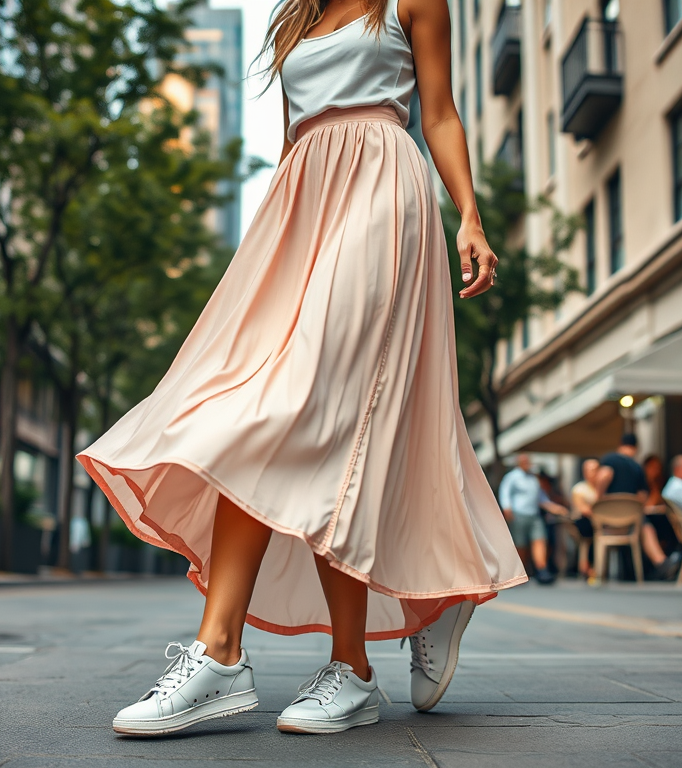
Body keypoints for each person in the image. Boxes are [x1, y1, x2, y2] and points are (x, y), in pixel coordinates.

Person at [76, 0, 528, 737]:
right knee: (250, 410)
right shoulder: (294, 18)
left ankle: (325, 664)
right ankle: (254, 655)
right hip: (301, 207)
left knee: (316, 412)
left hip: (382, 190)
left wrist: (468, 214)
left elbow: (438, 113)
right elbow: (293, 137)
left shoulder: (412, 1)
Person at [597, 435, 681, 580]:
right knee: (646, 527)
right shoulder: (637, 467)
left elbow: (604, 476)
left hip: (606, 521)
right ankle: (660, 562)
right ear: (636, 448)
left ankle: (601, 572)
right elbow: (642, 497)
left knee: (644, 526)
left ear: (620, 444)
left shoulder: (610, 459)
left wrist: (599, 498)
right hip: (630, 522)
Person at [499, 454, 569, 585]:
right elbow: (505, 493)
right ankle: (519, 572)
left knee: (540, 540)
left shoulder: (533, 479)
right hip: (519, 513)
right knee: (521, 544)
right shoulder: (512, 477)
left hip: (534, 514)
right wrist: (507, 509)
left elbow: (540, 498)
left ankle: (542, 569)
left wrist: (553, 507)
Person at [570, 458, 599, 579]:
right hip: (584, 523)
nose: (593, 472)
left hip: (600, 523)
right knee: (588, 532)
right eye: (590, 470)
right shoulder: (579, 489)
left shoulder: (601, 488)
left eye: (596, 469)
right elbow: (583, 509)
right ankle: (587, 568)